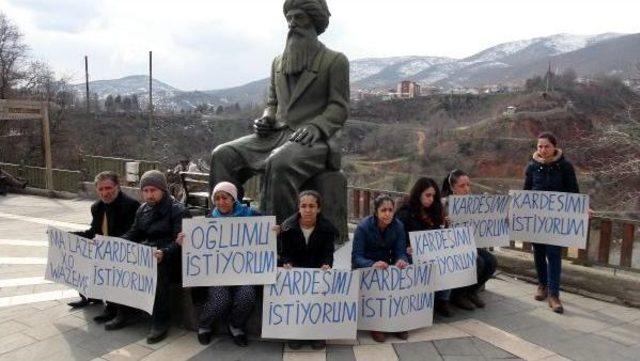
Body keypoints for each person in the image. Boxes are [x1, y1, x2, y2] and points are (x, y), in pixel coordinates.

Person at [209, 0, 349, 224]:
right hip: (275, 134)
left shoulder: (335, 61)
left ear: (313, 21)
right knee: (222, 154)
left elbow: (339, 106)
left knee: (279, 162)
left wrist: (316, 126)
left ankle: (277, 238)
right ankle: (223, 228)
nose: (292, 24)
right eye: (289, 18)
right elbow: (272, 103)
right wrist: (266, 117)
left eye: (299, 18)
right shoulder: (277, 63)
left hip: (313, 140)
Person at [183, 181, 261, 347]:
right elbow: (198, 246)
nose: (220, 202)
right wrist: (185, 241)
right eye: (217, 198)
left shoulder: (251, 215)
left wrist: (273, 231)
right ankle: (204, 325)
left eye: (225, 197)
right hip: (218, 275)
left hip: (244, 273)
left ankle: (236, 325)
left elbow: (265, 233)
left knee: (247, 296)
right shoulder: (208, 221)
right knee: (220, 299)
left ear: (233, 199)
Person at [120, 170, 189, 344]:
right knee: (120, 264)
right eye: (146, 191)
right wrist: (114, 243)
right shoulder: (143, 209)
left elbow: (181, 242)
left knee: (157, 271)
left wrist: (164, 253)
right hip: (149, 251)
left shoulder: (178, 210)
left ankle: (160, 321)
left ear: (163, 190)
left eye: (153, 190)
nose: (149, 195)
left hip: (171, 258)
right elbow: (135, 233)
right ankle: (125, 312)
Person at [69, 171, 140, 327]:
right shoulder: (97, 207)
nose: (105, 193)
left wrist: (108, 245)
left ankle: (120, 311)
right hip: (104, 250)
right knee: (78, 252)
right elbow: (93, 232)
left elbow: (133, 234)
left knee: (111, 265)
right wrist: (69, 236)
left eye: (108, 188)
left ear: (117, 187)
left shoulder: (131, 206)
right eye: (101, 189)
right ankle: (89, 297)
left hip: (124, 251)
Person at [524, 132, 583, 314]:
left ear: (554, 147)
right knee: (539, 252)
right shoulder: (532, 168)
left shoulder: (565, 167)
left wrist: (582, 208)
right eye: (540, 146)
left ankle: (554, 294)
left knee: (554, 254)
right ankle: (542, 285)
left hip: (557, 222)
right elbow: (525, 192)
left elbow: (574, 192)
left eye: (546, 146)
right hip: (537, 220)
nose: (543, 150)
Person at [278, 190, 337, 350]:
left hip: (317, 272)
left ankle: (316, 334)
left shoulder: (327, 228)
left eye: (312, 206)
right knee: (296, 304)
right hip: (295, 274)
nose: (308, 210)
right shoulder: (287, 227)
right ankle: (296, 333)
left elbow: (328, 252)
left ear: (318, 209)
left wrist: (327, 264)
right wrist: (287, 262)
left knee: (316, 303)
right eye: (303, 206)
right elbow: (284, 252)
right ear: (298, 208)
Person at [352, 194, 409, 343]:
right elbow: (356, 257)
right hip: (366, 268)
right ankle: (376, 324)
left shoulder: (398, 226)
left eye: (390, 210)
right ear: (376, 211)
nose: (387, 214)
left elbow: (400, 251)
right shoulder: (363, 227)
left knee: (400, 276)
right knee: (376, 286)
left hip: (387, 266)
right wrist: (372, 264)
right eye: (383, 210)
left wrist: (401, 260)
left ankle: (396, 321)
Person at [396, 177, 454, 317]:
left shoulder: (435, 212)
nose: (431, 199)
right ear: (419, 194)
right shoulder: (405, 212)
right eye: (428, 195)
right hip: (411, 252)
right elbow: (398, 237)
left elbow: (439, 236)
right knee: (419, 264)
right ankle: (424, 303)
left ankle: (442, 300)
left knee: (448, 261)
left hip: (431, 252)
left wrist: (447, 225)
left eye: (433, 196)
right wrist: (406, 247)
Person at [442, 169, 497, 311]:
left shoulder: (475, 204)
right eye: (462, 186)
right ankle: (458, 294)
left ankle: (472, 290)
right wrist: (445, 223)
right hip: (451, 247)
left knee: (491, 261)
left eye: (468, 185)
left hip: (471, 244)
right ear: (453, 187)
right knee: (477, 261)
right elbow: (436, 228)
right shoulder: (444, 204)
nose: (466, 189)